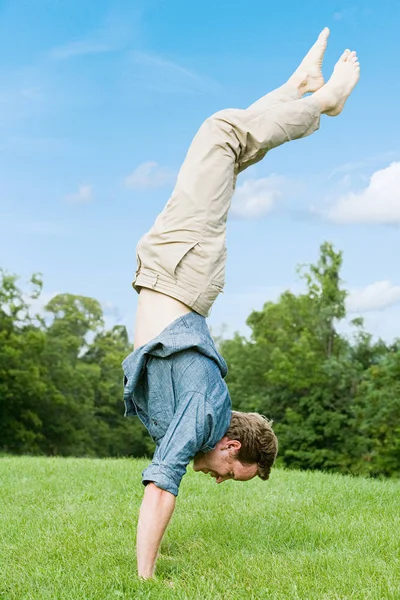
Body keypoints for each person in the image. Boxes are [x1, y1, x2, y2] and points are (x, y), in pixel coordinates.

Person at [122, 27, 360, 579]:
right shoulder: (204, 415)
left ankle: (293, 88)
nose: (219, 480)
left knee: (225, 149)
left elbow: (166, 469)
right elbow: (161, 488)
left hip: (170, 267)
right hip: (182, 269)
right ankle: (321, 101)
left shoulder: (196, 420)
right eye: (232, 473)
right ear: (231, 445)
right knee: (219, 135)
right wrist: (145, 577)